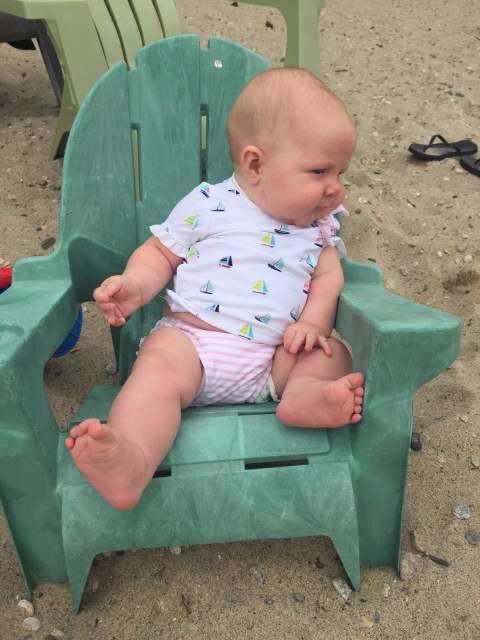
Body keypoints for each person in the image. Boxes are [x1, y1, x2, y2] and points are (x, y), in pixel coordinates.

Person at [66, 68, 364, 511]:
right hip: (193, 344)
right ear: (255, 164)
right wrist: (135, 284)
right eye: (319, 171)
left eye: (340, 172)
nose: (335, 188)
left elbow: (328, 279)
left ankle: (302, 398)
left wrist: (313, 326)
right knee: (156, 371)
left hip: (274, 359)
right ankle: (132, 461)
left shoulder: (319, 229)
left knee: (331, 353)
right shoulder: (210, 204)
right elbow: (160, 253)